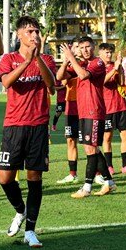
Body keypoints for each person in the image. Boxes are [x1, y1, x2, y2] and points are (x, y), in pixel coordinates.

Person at [0, 16, 57, 248]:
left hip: (38, 125)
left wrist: (38, 58)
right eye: (30, 31)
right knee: (5, 178)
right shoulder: (9, 59)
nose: (35, 35)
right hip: (13, 125)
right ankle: (20, 211)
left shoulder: (47, 59)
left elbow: (51, 84)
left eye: (37, 31)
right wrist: (26, 62)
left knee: (34, 177)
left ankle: (31, 230)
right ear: (19, 34)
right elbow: (7, 83)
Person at [68, 37, 117, 198]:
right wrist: (68, 59)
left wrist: (71, 57)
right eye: (81, 48)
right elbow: (60, 76)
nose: (85, 50)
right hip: (83, 112)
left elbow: (82, 76)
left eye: (88, 46)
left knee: (91, 150)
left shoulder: (98, 63)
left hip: (94, 112)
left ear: (94, 47)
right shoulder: (81, 63)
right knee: (92, 149)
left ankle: (87, 187)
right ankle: (109, 183)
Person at [98, 44, 126, 176]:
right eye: (107, 52)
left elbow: (121, 82)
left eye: (110, 53)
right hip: (106, 108)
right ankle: (109, 166)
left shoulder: (116, 65)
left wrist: (119, 68)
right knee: (107, 137)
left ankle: (125, 165)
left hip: (121, 106)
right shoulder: (97, 66)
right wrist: (114, 68)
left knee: (125, 136)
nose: (109, 55)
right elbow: (102, 81)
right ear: (101, 53)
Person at [55, 38, 81, 185]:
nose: (76, 50)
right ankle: (73, 174)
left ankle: (97, 173)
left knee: (90, 143)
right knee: (71, 140)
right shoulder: (70, 66)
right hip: (71, 106)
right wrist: (66, 61)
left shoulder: (87, 64)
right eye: (75, 47)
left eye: (78, 46)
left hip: (85, 106)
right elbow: (62, 80)